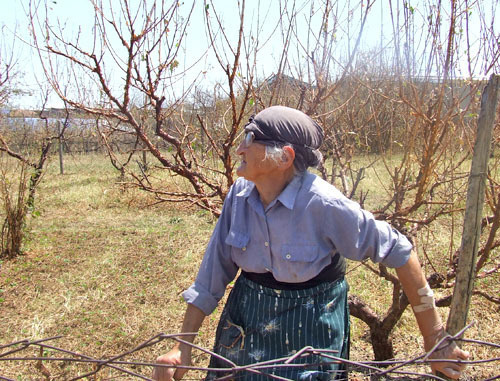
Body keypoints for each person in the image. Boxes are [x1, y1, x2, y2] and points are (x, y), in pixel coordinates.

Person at [153, 106, 469, 380]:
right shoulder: (238, 197)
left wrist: (435, 338)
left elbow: (399, 250)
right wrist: (182, 346)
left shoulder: (324, 205)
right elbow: (211, 277)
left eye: (250, 140)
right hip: (245, 324)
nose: (240, 149)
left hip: (310, 333)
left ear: (284, 157)